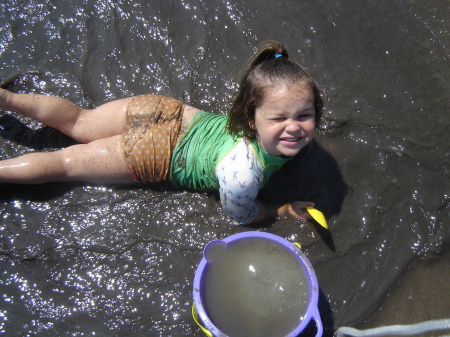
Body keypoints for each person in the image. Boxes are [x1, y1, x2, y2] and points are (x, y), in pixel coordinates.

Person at [0, 40, 324, 225]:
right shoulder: (243, 173)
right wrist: (278, 209)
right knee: (65, 164)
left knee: (79, 121)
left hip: (167, 112)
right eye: (280, 118)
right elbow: (241, 213)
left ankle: (6, 100)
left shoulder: (258, 112)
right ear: (251, 120)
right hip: (158, 154)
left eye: (304, 116)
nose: (294, 126)